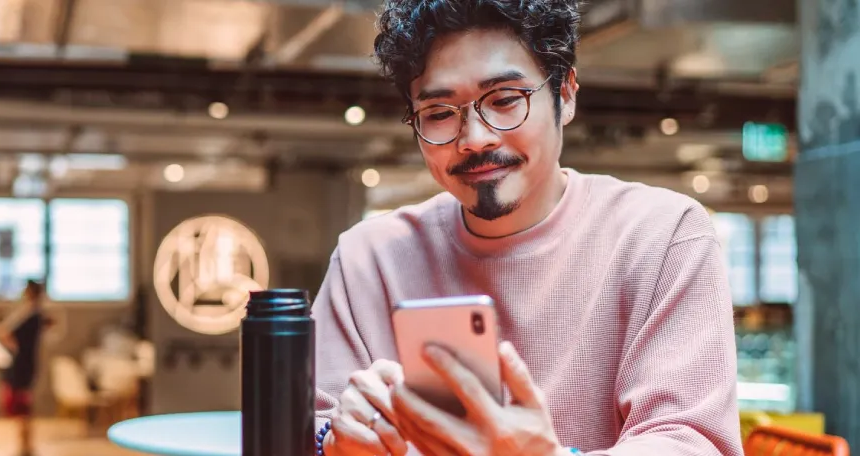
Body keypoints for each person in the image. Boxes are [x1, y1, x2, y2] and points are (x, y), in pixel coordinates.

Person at [312, 1, 741, 455]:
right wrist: (334, 439)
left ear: (567, 93)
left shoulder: (662, 235)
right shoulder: (369, 256)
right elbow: (304, 426)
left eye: (504, 100)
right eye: (439, 112)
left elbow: (690, 442)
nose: (475, 139)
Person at [0, 280, 51, 456]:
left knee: (23, 408)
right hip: (26, 363)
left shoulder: (32, 315)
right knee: (23, 408)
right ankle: (25, 445)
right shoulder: (33, 314)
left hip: (23, 364)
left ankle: (26, 446)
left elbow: (6, 333)